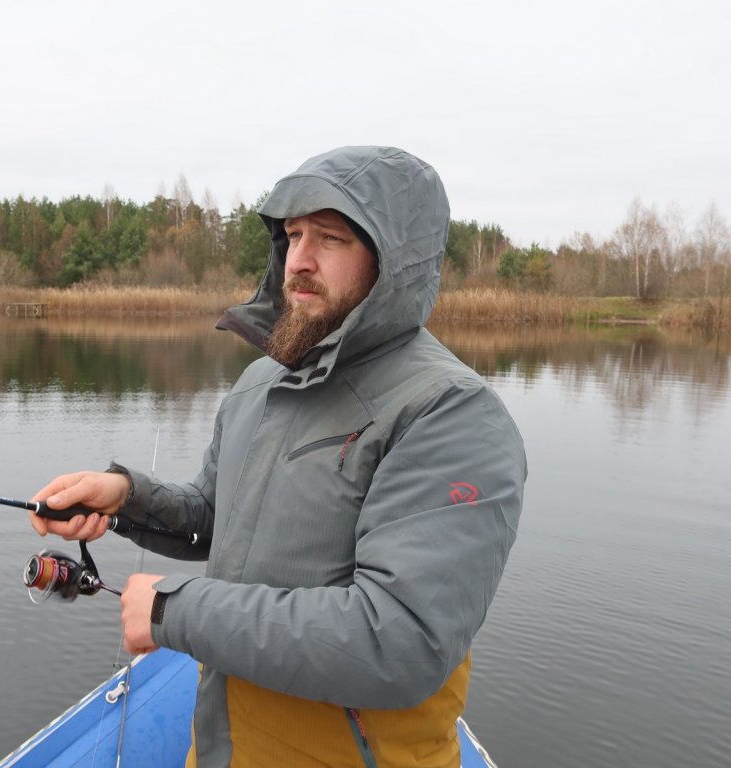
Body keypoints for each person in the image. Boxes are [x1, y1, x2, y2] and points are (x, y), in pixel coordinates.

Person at [29, 146, 526, 767]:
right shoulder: (261, 382)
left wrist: (173, 611)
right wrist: (126, 498)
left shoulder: (449, 413)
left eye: (331, 238)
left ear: (393, 259)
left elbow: (398, 642)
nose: (300, 260)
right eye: (292, 235)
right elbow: (217, 519)